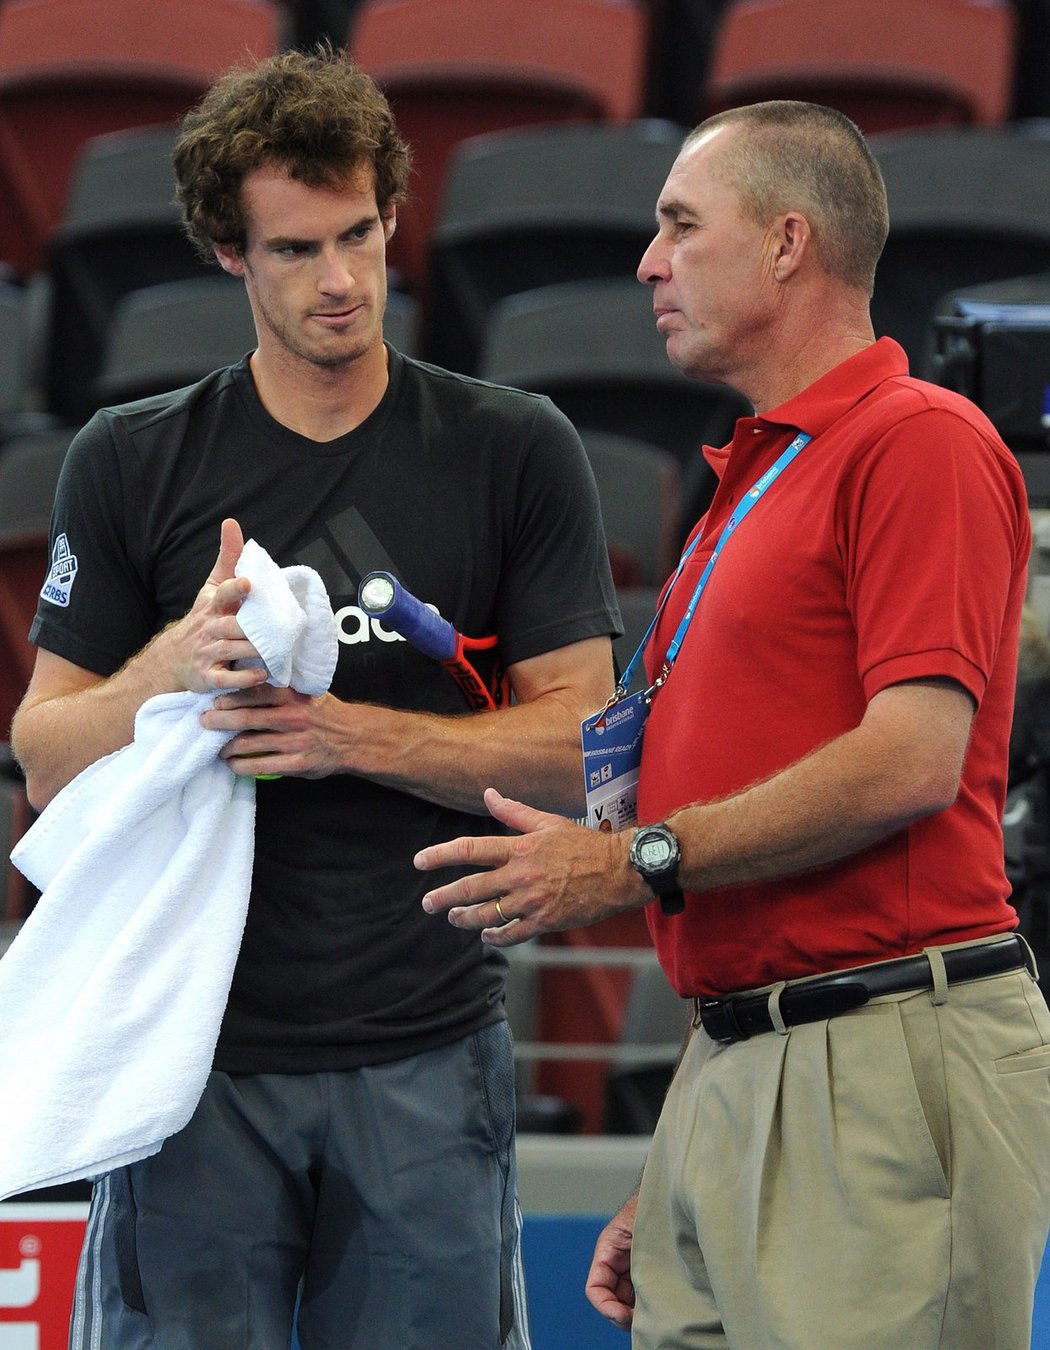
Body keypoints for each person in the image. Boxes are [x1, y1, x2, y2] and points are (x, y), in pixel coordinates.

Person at [10, 46, 620, 1350]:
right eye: (294, 249)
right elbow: (48, 756)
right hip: (189, 1058)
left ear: (396, 217)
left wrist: (339, 733)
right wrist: (172, 667)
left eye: (358, 234)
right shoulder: (132, 459)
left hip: (423, 1041)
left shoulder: (511, 447)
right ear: (229, 253)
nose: (340, 280)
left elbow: (586, 745)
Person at [415, 101, 1050, 1349]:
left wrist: (631, 858)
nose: (649, 262)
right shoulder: (752, 485)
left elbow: (912, 758)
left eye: (681, 225)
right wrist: (701, 1137)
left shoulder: (918, 440)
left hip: (877, 1044)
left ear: (787, 244)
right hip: (750, 1053)